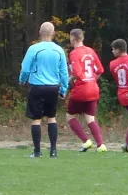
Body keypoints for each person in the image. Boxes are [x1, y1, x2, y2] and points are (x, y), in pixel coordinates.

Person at [19, 22, 69, 158]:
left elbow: (25, 68)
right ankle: (53, 151)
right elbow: (64, 72)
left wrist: (22, 80)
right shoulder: (59, 50)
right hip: (53, 87)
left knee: (36, 119)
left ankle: (37, 151)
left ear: (40, 33)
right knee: (51, 118)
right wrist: (64, 89)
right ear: (53, 34)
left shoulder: (34, 49)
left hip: (37, 86)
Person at [65, 29, 107, 152]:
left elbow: (77, 73)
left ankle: (86, 141)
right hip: (93, 89)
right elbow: (100, 70)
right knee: (90, 118)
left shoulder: (74, 53)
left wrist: (68, 81)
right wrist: (92, 80)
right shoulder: (91, 51)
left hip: (81, 89)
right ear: (82, 38)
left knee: (70, 116)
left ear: (73, 38)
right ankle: (100, 145)